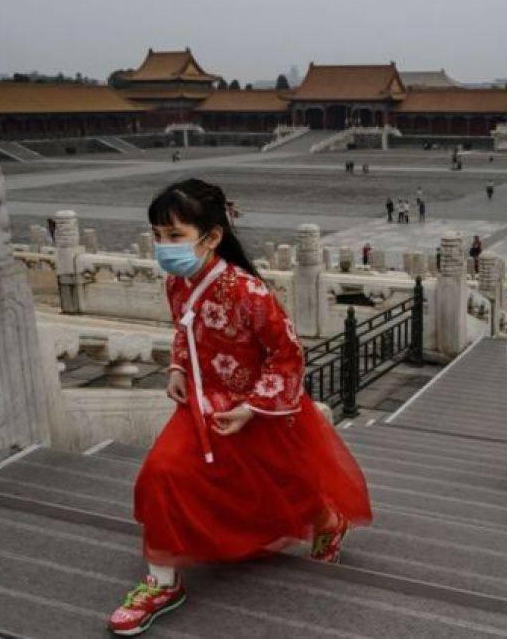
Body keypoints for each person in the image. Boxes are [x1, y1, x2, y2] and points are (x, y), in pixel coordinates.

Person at [108, 179, 372, 635]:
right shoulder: (177, 281)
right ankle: (162, 581)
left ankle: (329, 523)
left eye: (175, 236)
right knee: (162, 472)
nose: (164, 246)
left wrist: (253, 406)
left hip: (255, 406)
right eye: (157, 235)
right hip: (201, 405)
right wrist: (177, 369)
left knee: (282, 487)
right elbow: (183, 331)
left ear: (211, 237)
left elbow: (288, 355)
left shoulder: (249, 292)